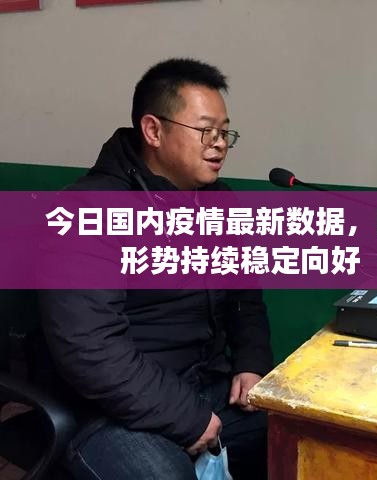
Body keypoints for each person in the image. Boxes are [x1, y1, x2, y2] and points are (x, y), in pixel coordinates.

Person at [39, 58, 273, 480]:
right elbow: (90, 346)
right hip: (112, 409)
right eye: (205, 131)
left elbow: (246, 298)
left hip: (207, 387)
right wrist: (186, 417)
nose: (219, 144)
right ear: (153, 130)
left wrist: (251, 362)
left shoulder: (220, 202)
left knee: (307, 434)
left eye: (224, 132)